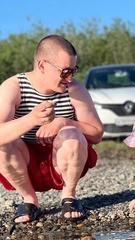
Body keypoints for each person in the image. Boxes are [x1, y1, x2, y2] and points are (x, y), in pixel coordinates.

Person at [0, 35, 104, 223]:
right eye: (65, 72)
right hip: (26, 164)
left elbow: (97, 133)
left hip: (61, 161)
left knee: (72, 134)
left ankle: (69, 197)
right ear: (42, 65)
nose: (70, 78)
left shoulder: (74, 89)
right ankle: (29, 200)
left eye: (73, 71)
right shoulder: (13, 87)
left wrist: (64, 122)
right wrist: (31, 119)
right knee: (3, 144)